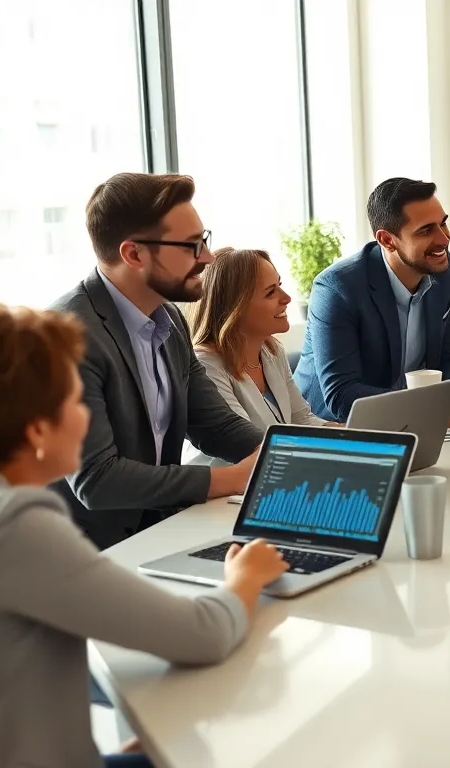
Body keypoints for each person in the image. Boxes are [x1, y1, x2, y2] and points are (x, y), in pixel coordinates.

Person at [0, 303, 290, 768]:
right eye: (80, 402)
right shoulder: (8, 526)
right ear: (39, 429)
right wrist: (244, 578)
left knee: (184, 740)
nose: (93, 421)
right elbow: (204, 635)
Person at [49, 173, 265, 550]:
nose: (208, 258)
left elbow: (214, 425)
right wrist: (230, 479)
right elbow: (97, 480)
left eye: (204, 240)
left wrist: (299, 452)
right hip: (84, 552)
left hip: (159, 532)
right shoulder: (67, 335)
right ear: (133, 254)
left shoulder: (169, 319)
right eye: (190, 246)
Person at [293, 177, 450, 427]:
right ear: (387, 240)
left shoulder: (445, 271)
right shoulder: (337, 288)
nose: (444, 239)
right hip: (332, 429)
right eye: (426, 230)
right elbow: (341, 396)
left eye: (443, 224)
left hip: (408, 422)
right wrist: (431, 405)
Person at [185, 247, 335, 464]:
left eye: (280, 286)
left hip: (271, 471)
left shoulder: (271, 351)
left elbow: (301, 419)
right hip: (225, 488)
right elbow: (242, 445)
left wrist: (352, 434)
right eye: (270, 292)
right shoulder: (205, 366)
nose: (287, 298)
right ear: (234, 308)